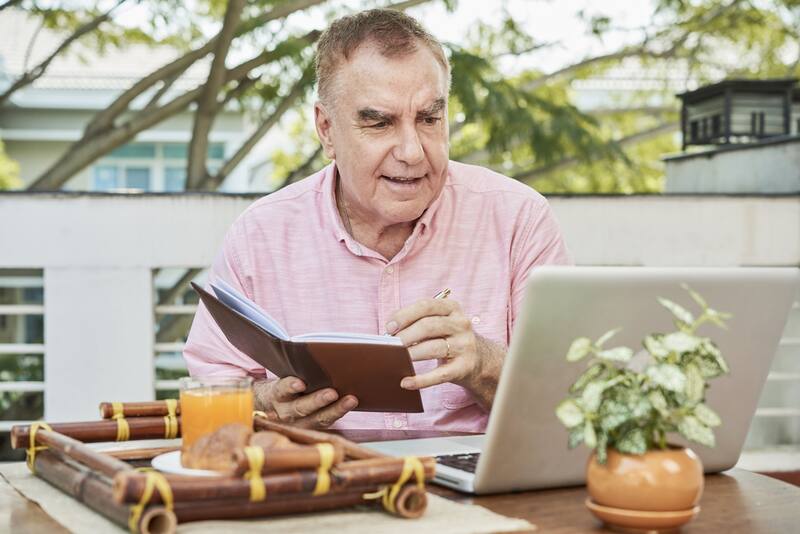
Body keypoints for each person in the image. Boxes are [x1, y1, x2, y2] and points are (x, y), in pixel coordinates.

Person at [183, 8, 571, 432]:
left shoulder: (519, 218)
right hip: (321, 482)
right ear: (327, 129)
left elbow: (573, 404)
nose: (412, 152)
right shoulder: (261, 234)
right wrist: (267, 405)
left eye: (428, 119)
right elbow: (210, 396)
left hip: (477, 484)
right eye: (380, 122)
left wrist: (484, 363)